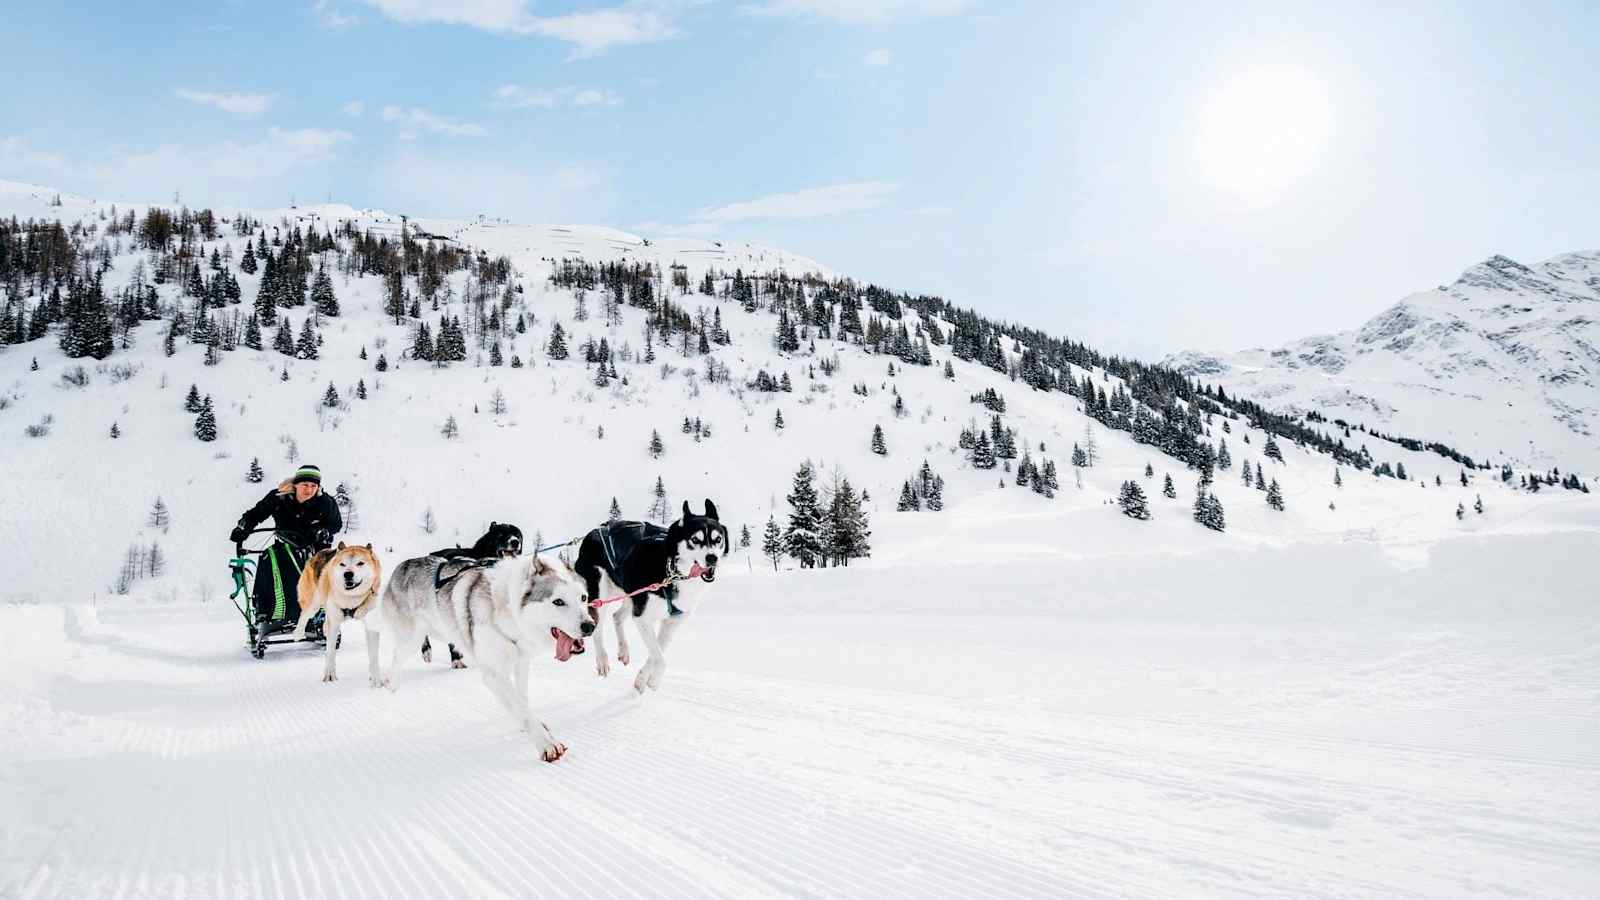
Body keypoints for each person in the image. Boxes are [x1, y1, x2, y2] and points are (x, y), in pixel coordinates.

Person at [229, 464, 342, 628]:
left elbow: (335, 524)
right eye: (305, 485)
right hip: (285, 545)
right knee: (269, 562)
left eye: (313, 486)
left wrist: (323, 531)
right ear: (296, 484)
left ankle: (320, 614)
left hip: (315, 548)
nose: (309, 490)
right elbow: (256, 514)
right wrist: (243, 528)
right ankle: (265, 611)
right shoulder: (278, 498)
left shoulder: (325, 502)